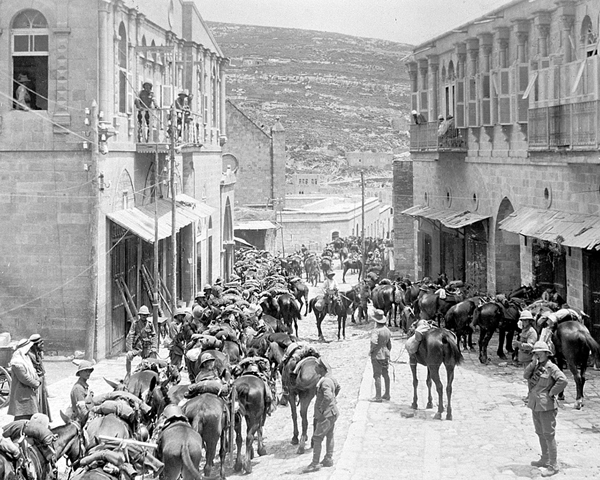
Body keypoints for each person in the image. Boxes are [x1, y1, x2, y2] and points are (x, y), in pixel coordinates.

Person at [524, 341, 568, 477]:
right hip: (535, 405)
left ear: (546, 353)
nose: (537, 354)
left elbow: (563, 380)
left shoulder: (551, 367)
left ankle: (553, 465)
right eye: (535, 353)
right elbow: (526, 376)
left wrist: (551, 392)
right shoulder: (536, 366)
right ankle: (545, 458)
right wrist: (532, 363)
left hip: (546, 406)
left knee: (549, 435)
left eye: (539, 352)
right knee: (540, 432)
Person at [304, 358, 340, 472]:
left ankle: (315, 463)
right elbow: (338, 388)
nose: (315, 368)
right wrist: (333, 401)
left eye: (317, 366)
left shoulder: (324, 382)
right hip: (333, 412)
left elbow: (328, 397)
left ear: (322, 368)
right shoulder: (331, 378)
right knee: (330, 435)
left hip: (326, 414)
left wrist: (321, 409)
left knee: (317, 438)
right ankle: (328, 459)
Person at [8, 339, 40, 420]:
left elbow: (32, 371)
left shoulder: (25, 358)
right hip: (21, 391)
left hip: (28, 391)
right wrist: (35, 383)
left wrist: (37, 378)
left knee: (29, 412)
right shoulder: (17, 362)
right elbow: (23, 377)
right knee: (22, 413)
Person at [125, 305, 157, 378]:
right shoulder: (135, 324)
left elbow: (154, 336)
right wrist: (129, 349)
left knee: (147, 363)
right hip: (137, 347)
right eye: (143, 315)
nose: (144, 316)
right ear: (140, 315)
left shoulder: (150, 324)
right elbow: (131, 336)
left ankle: (146, 375)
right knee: (128, 356)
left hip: (147, 348)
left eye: (146, 315)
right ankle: (128, 373)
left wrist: (154, 347)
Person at [370, 309, 392, 402]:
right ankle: (387, 394)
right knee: (386, 374)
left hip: (377, 355)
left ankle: (378, 396)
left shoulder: (376, 331)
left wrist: (371, 351)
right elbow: (389, 345)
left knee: (377, 375)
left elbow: (374, 342)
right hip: (386, 354)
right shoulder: (387, 330)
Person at [28, 334, 51, 421]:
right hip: (36, 380)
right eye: (40, 344)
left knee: (42, 399)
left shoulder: (37, 353)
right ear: (35, 345)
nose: (42, 346)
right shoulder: (31, 355)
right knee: (38, 400)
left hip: (41, 378)